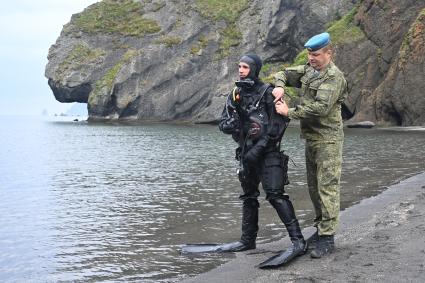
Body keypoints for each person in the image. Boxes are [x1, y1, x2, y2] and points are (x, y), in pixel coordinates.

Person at [217, 53, 307, 268]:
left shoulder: (268, 93)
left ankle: (298, 241)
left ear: (255, 69)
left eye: (245, 67)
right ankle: (247, 240)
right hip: (245, 154)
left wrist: (257, 150)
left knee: (275, 195)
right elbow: (223, 122)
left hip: (269, 154)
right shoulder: (236, 94)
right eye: (239, 66)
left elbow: (278, 126)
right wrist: (229, 126)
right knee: (248, 196)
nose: (241, 70)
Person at [272, 32, 347, 258]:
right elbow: (283, 73)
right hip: (312, 139)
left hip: (328, 139)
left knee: (327, 188)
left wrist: (289, 112)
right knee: (314, 188)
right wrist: (280, 86)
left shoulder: (334, 77)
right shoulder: (309, 70)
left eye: (315, 54)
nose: (311, 58)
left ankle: (328, 237)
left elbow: (320, 108)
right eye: (309, 54)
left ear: (328, 53)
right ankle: (320, 228)